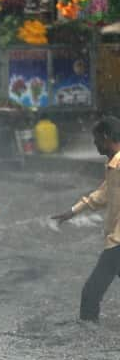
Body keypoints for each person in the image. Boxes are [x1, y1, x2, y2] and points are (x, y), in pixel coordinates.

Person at [52, 116, 120, 322]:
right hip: (116, 239)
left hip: (118, 243)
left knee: (90, 293)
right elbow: (103, 194)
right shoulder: (113, 165)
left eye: (96, 139)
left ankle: (85, 339)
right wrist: (73, 211)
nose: (94, 144)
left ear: (107, 137)